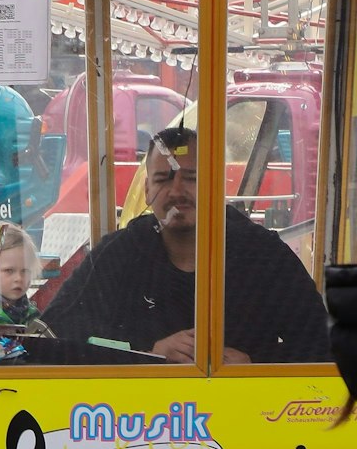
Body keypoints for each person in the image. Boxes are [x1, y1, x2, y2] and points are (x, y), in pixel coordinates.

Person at [41, 126, 330, 363]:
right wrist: (148, 354)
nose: (177, 191)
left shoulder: (262, 255)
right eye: (163, 179)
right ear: (147, 190)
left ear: (215, 184)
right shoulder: (118, 254)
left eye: (191, 178)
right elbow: (52, 338)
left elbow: (325, 344)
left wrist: (252, 363)